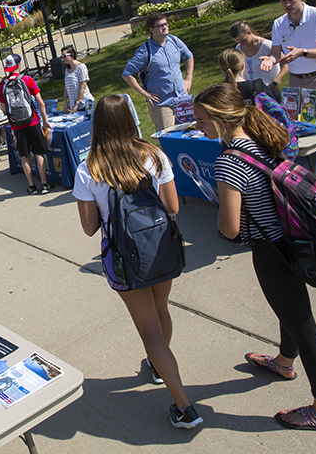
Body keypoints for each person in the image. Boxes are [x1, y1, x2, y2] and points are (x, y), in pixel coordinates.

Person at [194, 83, 316, 432]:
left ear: (220, 119)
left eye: (201, 120)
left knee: (305, 328)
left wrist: (220, 205)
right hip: (292, 240)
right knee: (287, 309)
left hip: (271, 251)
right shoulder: (263, 139)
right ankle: (284, 361)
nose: (197, 127)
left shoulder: (230, 161)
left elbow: (229, 229)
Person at [72, 94, 202, 429]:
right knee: (161, 312)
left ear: (97, 125)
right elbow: (172, 206)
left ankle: (185, 407)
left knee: (148, 331)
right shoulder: (154, 155)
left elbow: (89, 229)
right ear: (130, 119)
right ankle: (159, 368)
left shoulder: (88, 169)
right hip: (160, 248)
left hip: (123, 260)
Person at [260, 0, 316, 95]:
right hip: (295, 80)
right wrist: (271, 59)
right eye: (283, 1)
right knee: (298, 114)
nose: (287, 4)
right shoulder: (279, 24)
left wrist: (302, 52)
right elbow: (275, 52)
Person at [122, 12, 194, 132]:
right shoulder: (145, 51)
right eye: (160, 25)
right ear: (151, 29)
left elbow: (189, 56)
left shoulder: (174, 41)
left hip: (182, 100)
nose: (165, 27)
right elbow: (127, 74)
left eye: (166, 24)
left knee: (189, 135)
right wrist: (145, 93)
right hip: (162, 104)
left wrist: (189, 78)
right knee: (168, 140)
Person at [0, 53, 52, 195]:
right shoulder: (27, 80)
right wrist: (45, 120)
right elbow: (40, 102)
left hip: (16, 125)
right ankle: (45, 185)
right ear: (19, 65)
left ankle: (32, 186)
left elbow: (3, 108)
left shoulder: (2, 85)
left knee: (24, 156)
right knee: (38, 153)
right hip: (32, 121)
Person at [230, 21, 284, 92]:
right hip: (251, 89)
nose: (242, 44)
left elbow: (286, 64)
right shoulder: (239, 48)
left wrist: (275, 83)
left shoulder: (266, 45)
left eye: (243, 40)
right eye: (238, 42)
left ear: (249, 32)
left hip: (268, 89)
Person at [61, 45, 94, 113]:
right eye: (62, 57)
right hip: (74, 105)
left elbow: (83, 87)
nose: (63, 59)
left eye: (65, 56)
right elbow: (66, 86)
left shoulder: (81, 67)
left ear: (72, 54)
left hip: (84, 103)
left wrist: (77, 103)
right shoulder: (67, 70)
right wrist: (65, 101)